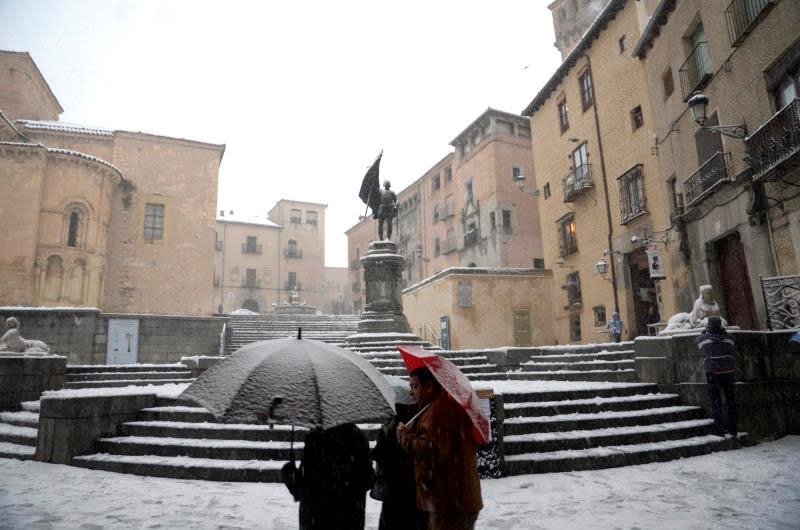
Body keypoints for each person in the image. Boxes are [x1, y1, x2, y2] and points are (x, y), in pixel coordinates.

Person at [398, 367, 483, 530]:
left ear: (429, 387)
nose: (411, 392)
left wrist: (405, 438)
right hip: (456, 500)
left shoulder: (439, 412)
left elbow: (432, 450)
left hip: (449, 503)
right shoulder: (440, 407)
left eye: (415, 386)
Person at [282, 423, 374, 529]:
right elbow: (368, 480)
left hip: (317, 520)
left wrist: (289, 472)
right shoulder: (359, 437)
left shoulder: (315, 439)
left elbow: (301, 488)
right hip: (350, 520)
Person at [372, 401, 427, 530]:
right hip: (413, 491)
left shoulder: (392, 426)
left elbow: (379, 454)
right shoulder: (416, 423)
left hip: (394, 492)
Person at [696, 316, 738, 437]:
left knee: (716, 401)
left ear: (709, 326)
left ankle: (719, 428)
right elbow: (733, 341)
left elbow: (697, 343)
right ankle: (733, 427)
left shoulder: (705, 339)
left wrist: (704, 333)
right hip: (728, 372)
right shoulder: (728, 339)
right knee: (731, 401)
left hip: (713, 372)